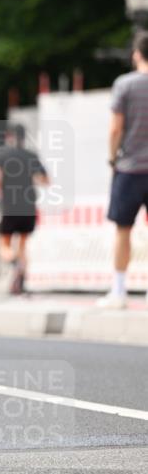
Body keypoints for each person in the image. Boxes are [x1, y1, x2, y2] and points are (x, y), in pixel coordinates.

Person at [96, 29, 148, 309]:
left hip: (130, 168)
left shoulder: (125, 85)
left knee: (123, 230)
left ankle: (119, 291)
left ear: (136, 54)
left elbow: (116, 127)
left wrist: (112, 158)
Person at [0, 124, 49, 295]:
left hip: (9, 204)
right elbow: (45, 179)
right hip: (28, 205)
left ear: (9, 137)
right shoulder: (31, 156)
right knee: (23, 244)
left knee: (4, 244)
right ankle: (21, 281)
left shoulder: (2, 155)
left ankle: (13, 262)